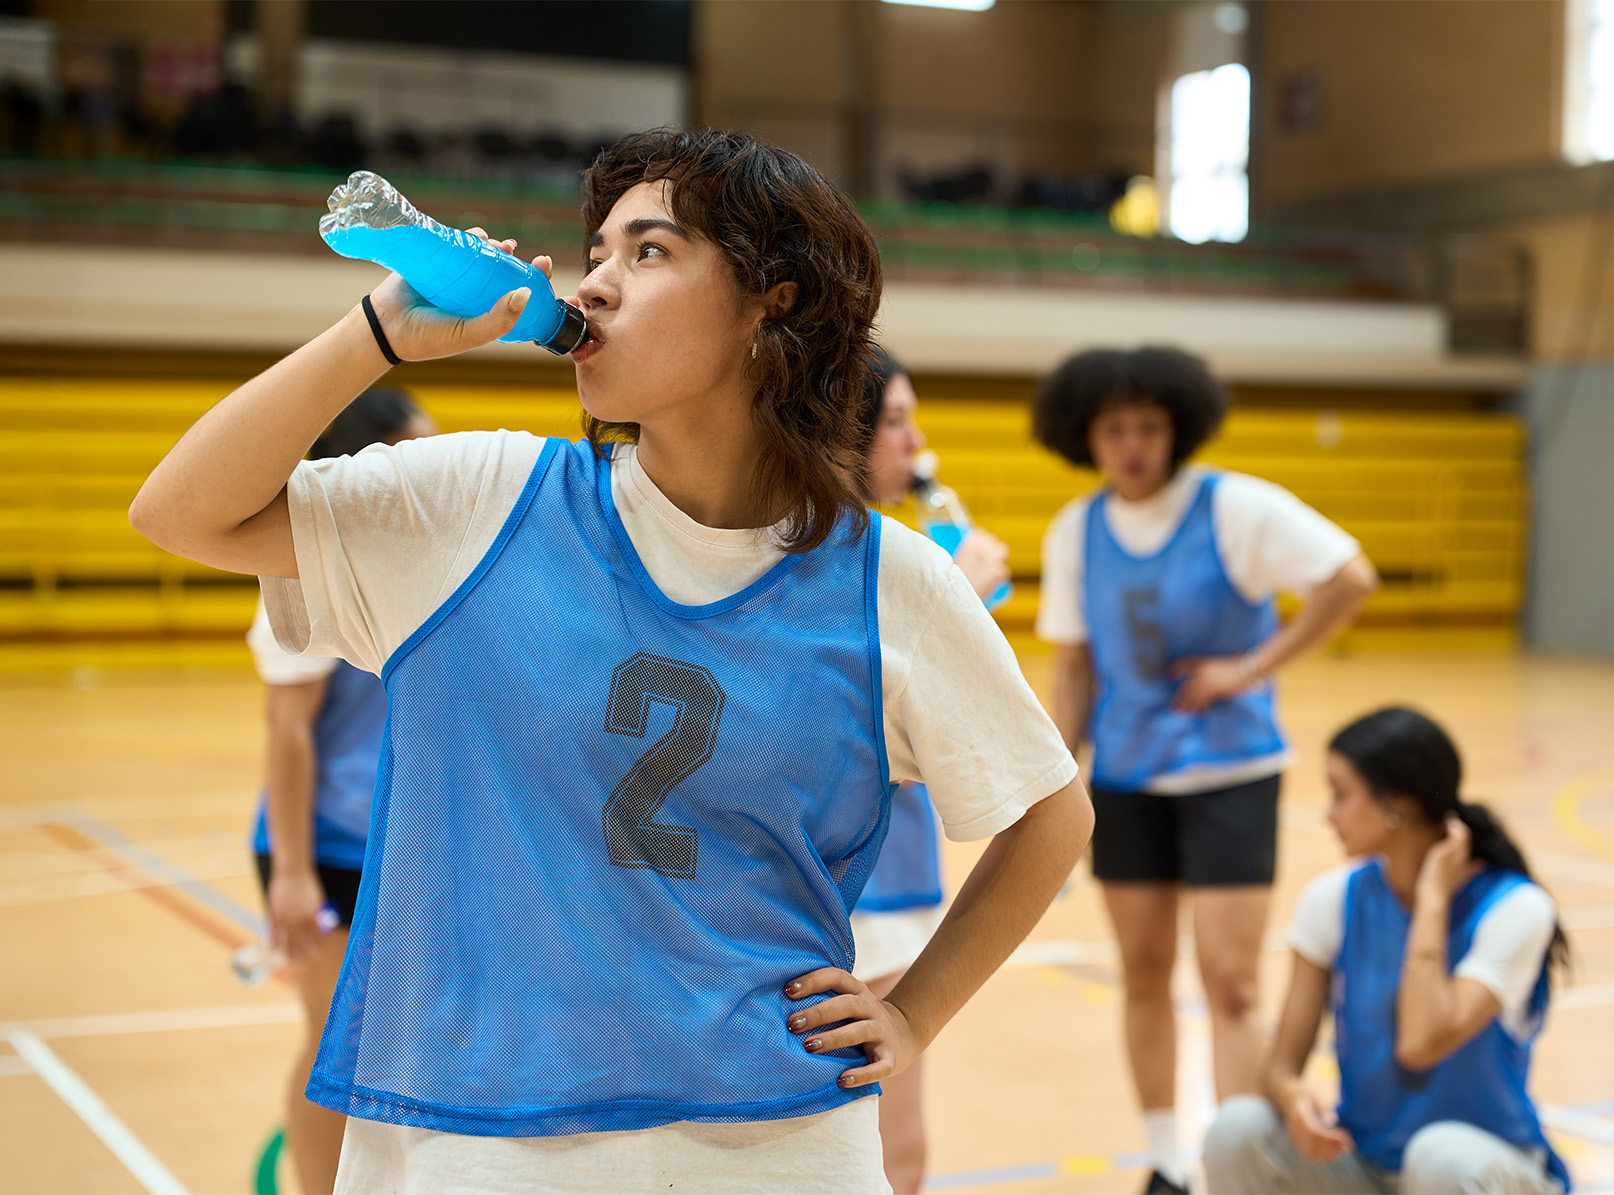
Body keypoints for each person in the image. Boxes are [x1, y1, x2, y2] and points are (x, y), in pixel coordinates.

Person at [130, 128, 1092, 1193]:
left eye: (647, 251)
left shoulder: (890, 580)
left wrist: (911, 1014)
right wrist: (376, 334)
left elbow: (1052, 812)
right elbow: (181, 512)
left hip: (775, 1144)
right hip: (477, 1135)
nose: (592, 282)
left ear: (772, 302)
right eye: (595, 251)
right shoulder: (476, 503)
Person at [1031, 347, 1379, 1194]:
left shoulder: (1235, 508)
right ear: (1089, 437)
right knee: (1143, 971)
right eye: (1115, 429)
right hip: (1126, 778)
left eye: (1148, 425)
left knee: (1231, 980)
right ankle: (1161, 1159)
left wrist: (1252, 666)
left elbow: (1349, 578)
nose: (1133, 444)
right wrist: (1058, 780)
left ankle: (1236, 1164)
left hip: (1231, 772)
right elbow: (1074, 666)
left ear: (1176, 428)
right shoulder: (1076, 528)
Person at [1202, 708, 1570, 1195]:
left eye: (1340, 794)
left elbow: (1420, 1042)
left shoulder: (1516, 908)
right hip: (1368, 1170)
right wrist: (1294, 1101)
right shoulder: (1331, 899)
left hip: (1485, 1169)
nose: (1328, 814)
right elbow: (1278, 1065)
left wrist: (1432, 900)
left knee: (1440, 1157)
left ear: (1397, 805)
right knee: (1238, 1128)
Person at [245, 385, 435, 1195]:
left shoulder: (428, 561)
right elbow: (286, 732)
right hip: (323, 849)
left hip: (401, 849)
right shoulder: (308, 571)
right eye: (414, 445)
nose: (434, 458)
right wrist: (291, 870)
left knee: (390, 1046)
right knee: (335, 1047)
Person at [851, 348, 1011, 1193]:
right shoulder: (866, 558)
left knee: (892, 1141)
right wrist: (958, 591)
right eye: (898, 418)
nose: (917, 440)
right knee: (885, 1141)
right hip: (856, 883)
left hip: (890, 878)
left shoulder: (904, 547)